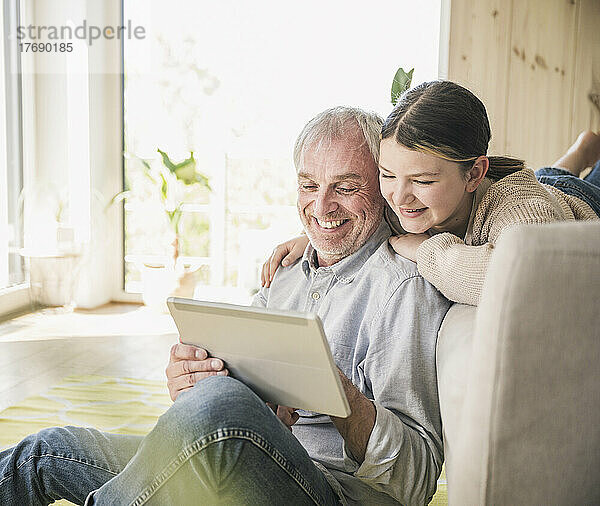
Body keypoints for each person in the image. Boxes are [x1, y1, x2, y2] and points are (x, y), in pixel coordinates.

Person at [0, 107, 451, 505]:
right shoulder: (287, 272)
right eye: (308, 186)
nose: (321, 205)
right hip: (233, 467)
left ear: (383, 189)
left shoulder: (402, 288)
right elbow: (229, 412)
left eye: (346, 187)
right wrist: (193, 383)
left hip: (330, 489)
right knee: (42, 454)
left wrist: (341, 398)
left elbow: (414, 484)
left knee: (219, 407)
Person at [262, 81, 600, 306]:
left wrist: (427, 250)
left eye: (423, 181)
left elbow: (524, 282)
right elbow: (351, 210)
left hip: (580, 202)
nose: (399, 197)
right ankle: (581, 150)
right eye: (387, 174)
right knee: (551, 174)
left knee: (552, 182)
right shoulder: (401, 199)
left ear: (474, 174)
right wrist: (314, 237)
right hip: (540, 186)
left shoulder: (518, 204)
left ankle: (580, 156)